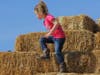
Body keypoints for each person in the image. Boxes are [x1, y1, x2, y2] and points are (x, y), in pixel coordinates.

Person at [34, 1, 67, 72]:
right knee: (42, 39)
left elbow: (57, 23)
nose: (36, 16)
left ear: (40, 12)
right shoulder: (44, 21)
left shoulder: (49, 17)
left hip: (60, 37)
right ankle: (46, 53)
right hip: (54, 37)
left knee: (57, 52)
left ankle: (62, 66)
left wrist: (49, 33)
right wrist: (49, 35)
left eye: (36, 14)